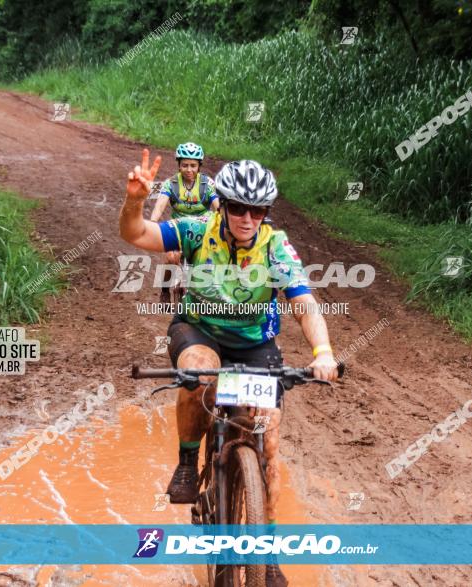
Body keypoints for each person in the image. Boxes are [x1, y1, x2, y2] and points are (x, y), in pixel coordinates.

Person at [120, 149, 339, 587]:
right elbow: (137, 235)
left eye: (257, 210)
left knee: (269, 447)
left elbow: (302, 301)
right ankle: (186, 461)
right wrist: (134, 201)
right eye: (238, 207)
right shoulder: (198, 230)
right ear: (222, 204)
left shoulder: (275, 245)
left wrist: (323, 352)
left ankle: (268, 553)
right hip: (198, 332)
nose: (247, 218)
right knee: (200, 373)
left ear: (265, 213)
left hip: (256, 346)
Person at [150, 142, 219, 302]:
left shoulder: (207, 184)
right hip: (179, 228)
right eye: (185, 165)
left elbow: (218, 206)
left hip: (202, 228)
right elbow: (160, 205)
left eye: (193, 166)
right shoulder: (170, 184)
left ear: (199, 166)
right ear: (178, 165)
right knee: (171, 259)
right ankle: (165, 290)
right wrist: (153, 222)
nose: (189, 170)